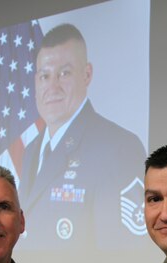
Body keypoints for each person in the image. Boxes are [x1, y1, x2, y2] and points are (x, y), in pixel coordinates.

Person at [18, 23, 147, 250]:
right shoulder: (31, 151)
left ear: (87, 74)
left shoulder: (118, 148)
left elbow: (124, 254)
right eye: (45, 76)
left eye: (64, 73)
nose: (52, 87)